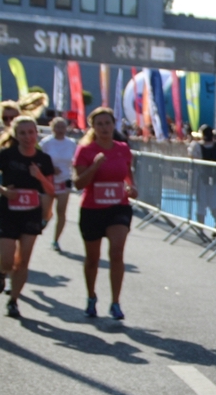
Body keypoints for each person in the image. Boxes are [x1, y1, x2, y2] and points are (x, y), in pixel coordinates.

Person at [73, 107, 138, 320]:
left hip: (118, 207)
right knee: (93, 259)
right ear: (93, 127)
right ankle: (91, 297)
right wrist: (94, 167)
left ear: (113, 125)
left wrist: (132, 187)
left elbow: (128, 175)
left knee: (117, 252)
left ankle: (115, 302)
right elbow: (78, 183)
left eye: (107, 123)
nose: (104, 128)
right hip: (92, 208)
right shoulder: (85, 150)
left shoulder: (122, 149)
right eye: (99, 124)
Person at [0, 116, 55, 318]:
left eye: (31, 132)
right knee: (7, 261)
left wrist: (39, 176)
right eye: (22, 133)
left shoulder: (44, 159)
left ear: (36, 133)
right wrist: (4, 191)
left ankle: (13, 300)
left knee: (23, 260)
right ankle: (2, 272)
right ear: (15, 135)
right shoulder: (6, 155)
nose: (27, 137)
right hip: (7, 211)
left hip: (31, 213)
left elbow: (51, 190)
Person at [39, 116, 77, 251]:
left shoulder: (71, 143)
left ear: (66, 128)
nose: (60, 130)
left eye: (62, 127)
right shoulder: (46, 142)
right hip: (48, 180)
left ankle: (56, 240)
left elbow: (75, 161)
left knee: (61, 211)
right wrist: (50, 169)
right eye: (57, 127)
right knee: (45, 212)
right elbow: (39, 160)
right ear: (52, 128)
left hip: (64, 180)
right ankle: (45, 219)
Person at [187, 125, 216, 229]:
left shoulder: (197, 146)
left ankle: (202, 226)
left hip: (202, 178)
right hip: (214, 177)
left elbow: (191, 156)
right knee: (213, 202)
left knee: (202, 202)